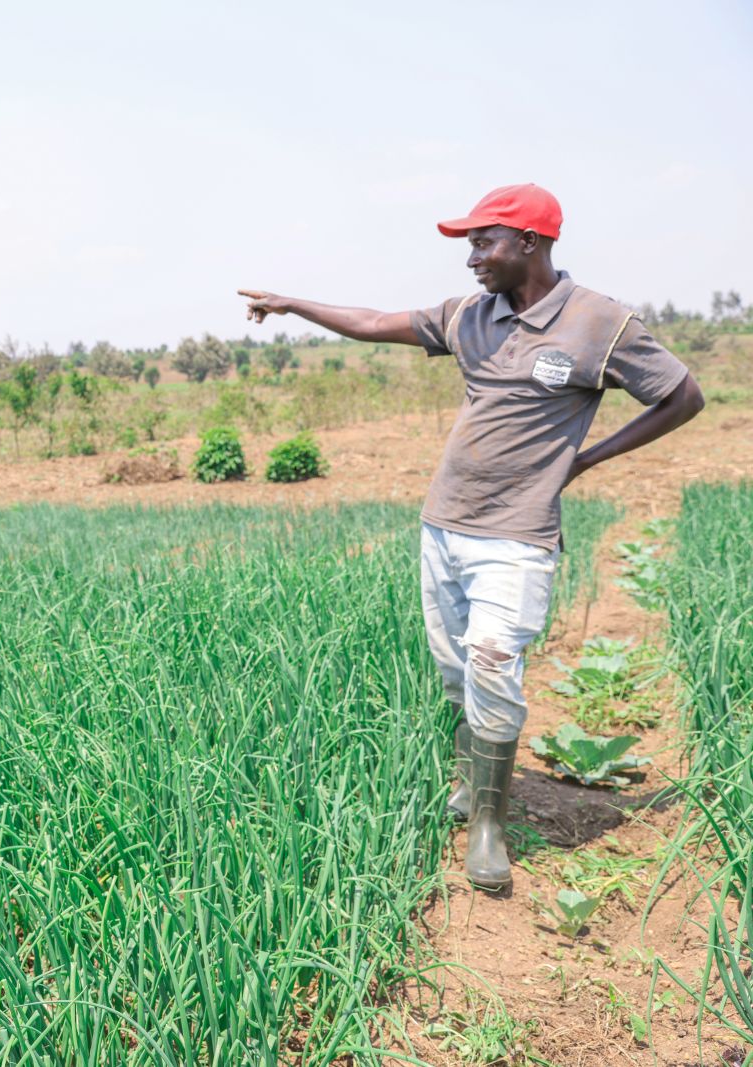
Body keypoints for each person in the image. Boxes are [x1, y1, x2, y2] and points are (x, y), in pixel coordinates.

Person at [239, 183, 704, 890]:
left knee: (492, 662)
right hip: (444, 524)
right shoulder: (469, 316)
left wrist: (589, 456)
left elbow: (682, 395)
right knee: (457, 670)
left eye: (482, 242)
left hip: (517, 535)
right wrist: (293, 302)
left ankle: (489, 823)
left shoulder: (598, 322)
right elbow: (372, 322)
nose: (471, 259)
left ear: (530, 243)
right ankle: (471, 787)